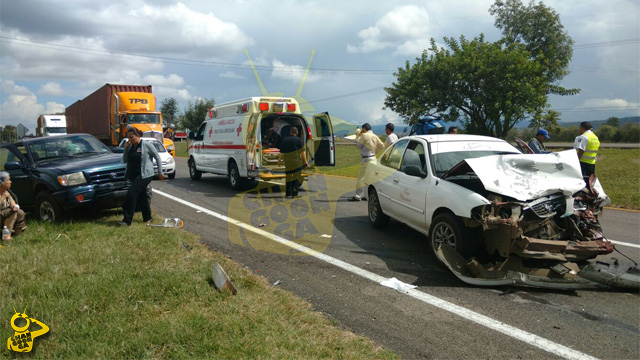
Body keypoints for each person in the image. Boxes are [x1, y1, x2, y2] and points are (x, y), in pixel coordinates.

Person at [120, 128, 164, 226]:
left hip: (145, 174)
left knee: (132, 193)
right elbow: (125, 160)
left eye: (132, 137)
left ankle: (127, 220)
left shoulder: (146, 145)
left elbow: (157, 156)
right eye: (128, 137)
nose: (130, 139)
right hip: (134, 175)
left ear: (138, 136)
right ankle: (148, 218)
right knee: (142, 196)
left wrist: (160, 172)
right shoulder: (131, 146)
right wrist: (125, 149)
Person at [349, 123, 384, 201]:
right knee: (369, 178)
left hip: (366, 159)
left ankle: (358, 196)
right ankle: (368, 195)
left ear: (364, 128)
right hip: (373, 158)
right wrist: (375, 152)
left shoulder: (364, 135)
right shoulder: (375, 136)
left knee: (361, 178)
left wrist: (358, 136)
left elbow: (358, 146)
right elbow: (382, 146)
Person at [277, 127, 308, 198]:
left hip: (287, 162)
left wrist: (279, 161)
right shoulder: (299, 140)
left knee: (288, 177)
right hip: (296, 161)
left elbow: (281, 152)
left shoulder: (285, 140)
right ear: (297, 133)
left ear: (290, 133)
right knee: (296, 177)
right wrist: (305, 161)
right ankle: (295, 193)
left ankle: (288, 193)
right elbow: (303, 153)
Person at [0, 172, 26, 236]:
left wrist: (15, 206)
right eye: (8, 180)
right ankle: (6, 235)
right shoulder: (3, 194)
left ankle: (17, 234)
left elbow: (12, 201)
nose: (10, 182)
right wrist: (3, 197)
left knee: (20, 212)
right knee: (11, 212)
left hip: (4, 213)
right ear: (1, 183)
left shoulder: (6, 191)